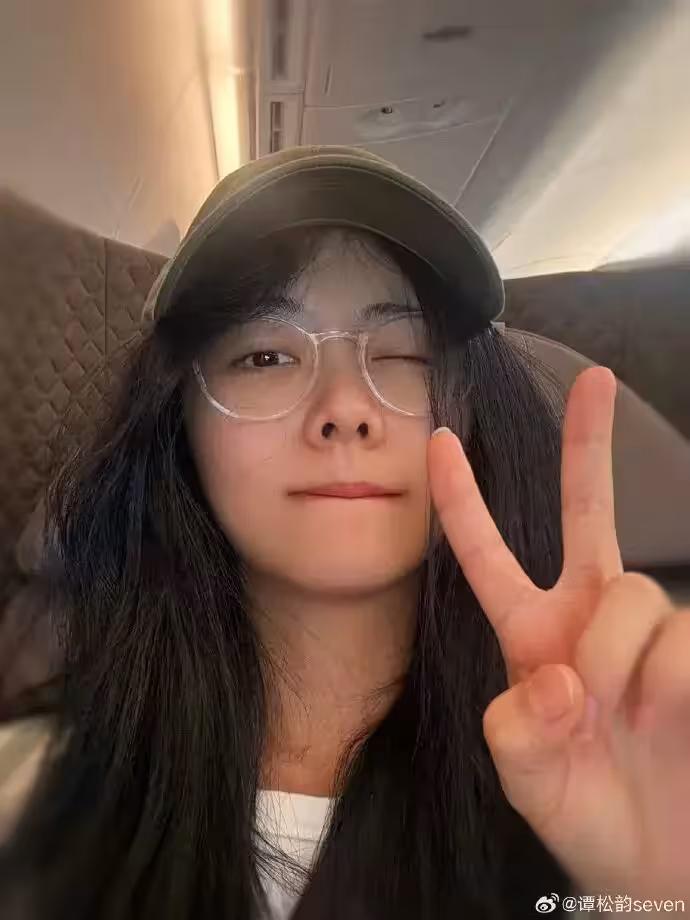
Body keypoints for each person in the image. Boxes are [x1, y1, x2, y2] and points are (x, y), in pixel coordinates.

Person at [0, 146, 688, 920]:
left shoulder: (617, 774)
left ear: (473, 412)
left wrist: (657, 891)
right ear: (178, 422)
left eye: (403, 354)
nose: (345, 408)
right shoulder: (30, 800)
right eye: (265, 355)